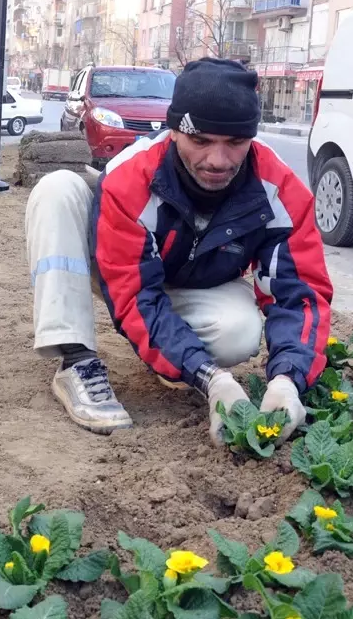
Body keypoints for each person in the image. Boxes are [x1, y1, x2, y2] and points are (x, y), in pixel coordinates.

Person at [24, 58, 333, 444]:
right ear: (174, 131)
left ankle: (172, 356)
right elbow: (135, 295)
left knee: (239, 332)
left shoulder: (279, 188)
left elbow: (301, 293)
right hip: (115, 269)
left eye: (235, 143)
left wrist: (289, 379)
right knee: (57, 190)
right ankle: (76, 360)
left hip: (195, 280)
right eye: (200, 140)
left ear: (251, 138)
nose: (218, 161)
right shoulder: (131, 178)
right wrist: (211, 378)